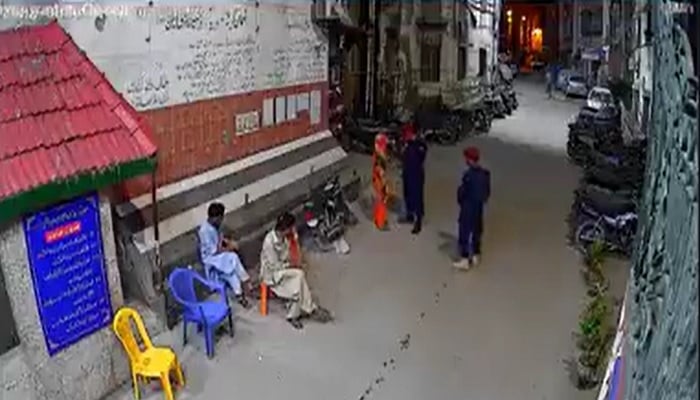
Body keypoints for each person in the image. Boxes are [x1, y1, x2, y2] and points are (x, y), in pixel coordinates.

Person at [260, 212, 332, 329]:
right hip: (273, 274)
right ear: (285, 229)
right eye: (291, 227)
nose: (293, 229)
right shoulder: (269, 242)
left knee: (298, 282)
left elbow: (294, 254)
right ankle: (310, 309)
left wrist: (295, 240)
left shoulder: (287, 238)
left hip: (284, 268)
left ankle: (297, 314)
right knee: (299, 276)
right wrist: (290, 265)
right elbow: (274, 266)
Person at [198, 202, 252, 308]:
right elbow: (214, 250)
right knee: (233, 258)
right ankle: (246, 281)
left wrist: (229, 242)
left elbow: (220, 239)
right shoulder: (204, 231)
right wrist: (230, 248)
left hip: (218, 256)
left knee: (231, 272)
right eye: (220, 218)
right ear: (215, 218)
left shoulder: (215, 227)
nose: (222, 220)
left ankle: (239, 295)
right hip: (210, 258)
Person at [454, 147, 491, 270]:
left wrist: (460, 198)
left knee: (464, 231)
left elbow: (462, 193)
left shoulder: (468, 175)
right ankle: (476, 254)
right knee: (477, 230)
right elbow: (487, 193)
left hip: (468, 206)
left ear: (469, 160)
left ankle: (465, 259)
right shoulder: (485, 174)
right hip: (478, 206)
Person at [400, 122, 427, 234]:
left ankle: (418, 221)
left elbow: (421, 156)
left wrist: (413, 143)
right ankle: (409, 215)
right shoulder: (407, 144)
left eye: (407, 134)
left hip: (416, 174)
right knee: (407, 194)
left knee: (417, 197)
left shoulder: (419, 145)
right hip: (407, 172)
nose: (405, 137)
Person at [372, 132, 390, 231]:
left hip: (377, 181)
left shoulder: (377, 154)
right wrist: (385, 185)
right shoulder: (379, 158)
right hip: (379, 182)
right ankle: (380, 223)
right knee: (382, 202)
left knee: (380, 201)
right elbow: (381, 173)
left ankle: (378, 219)